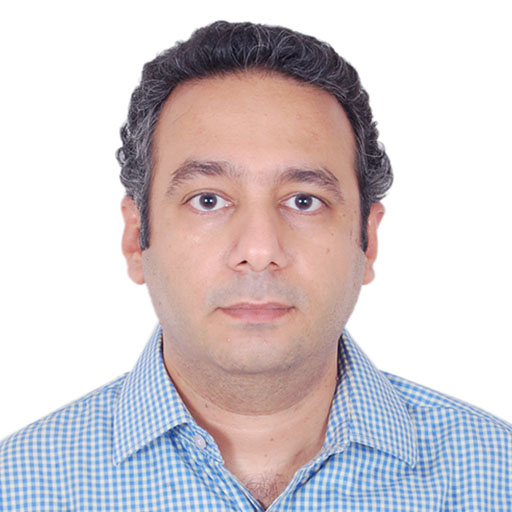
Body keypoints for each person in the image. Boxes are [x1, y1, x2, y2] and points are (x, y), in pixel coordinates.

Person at [1, 20, 510, 511]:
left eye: (304, 201)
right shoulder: (18, 486)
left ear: (368, 240)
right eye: (207, 200)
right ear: (137, 238)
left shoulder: (496, 476)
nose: (261, 249)